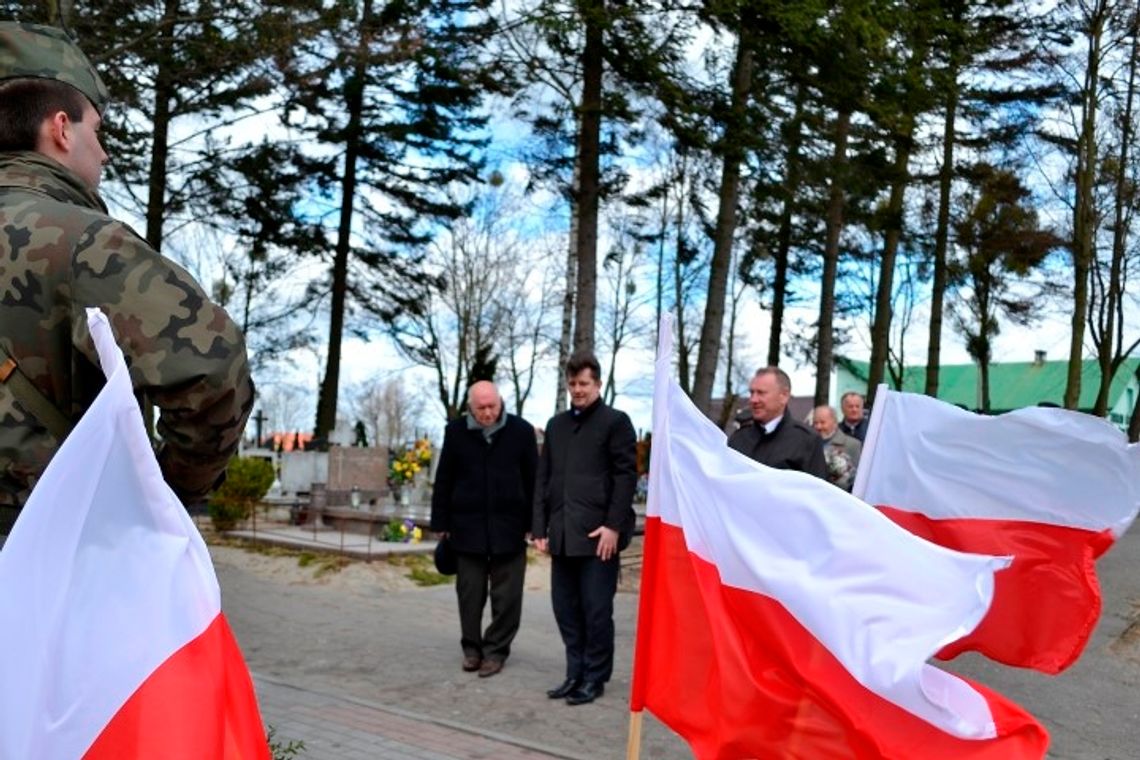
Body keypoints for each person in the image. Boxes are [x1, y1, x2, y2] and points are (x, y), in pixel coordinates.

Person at [0, 23, 254, 542]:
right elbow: (213, 371)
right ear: (62, 129)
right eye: (98, 131)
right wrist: (165, 493)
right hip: (53, 562)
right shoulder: (82, 242)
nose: (105, 153)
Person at [532, 351, 636, 706]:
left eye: (584, 384)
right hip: (562, 535)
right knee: (566, 609)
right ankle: (574, 673)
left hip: (597, 538)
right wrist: (539, 528)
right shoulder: (557, 425)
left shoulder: (616, 422)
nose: (578, 390)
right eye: (573, 384)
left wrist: (613, 525)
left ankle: (595, 677)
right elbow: (543, 479)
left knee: (595, 610)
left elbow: (625, 477)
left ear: (598, 384)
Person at [430, 380, 537, 678]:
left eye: (493, 406)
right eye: (481, 408)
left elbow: (534, 480)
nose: (488, 413)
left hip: (511, 528)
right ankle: (471, 649)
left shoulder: (521, 431)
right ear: (470, 408)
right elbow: (444, 479)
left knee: (508, 597)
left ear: (501, 402)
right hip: (467, 528)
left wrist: (534, 524)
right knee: (470, 593)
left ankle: (496, 651)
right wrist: (440, 522)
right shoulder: (455, 432)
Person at [728, 367, 827, 479]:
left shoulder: (807, 441)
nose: (753, 400)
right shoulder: (738, 438)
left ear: (784, 396)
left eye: (761, 393)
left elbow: (817, 492)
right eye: (752, 393)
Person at [811, 405, 862, 491]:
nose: (818, 427)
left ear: (834, 423)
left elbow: (858, 478)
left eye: (822, 422)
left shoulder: (853, 445)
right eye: (815, 423)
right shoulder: (807, 443)